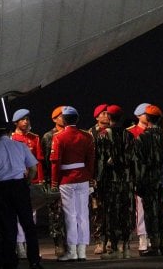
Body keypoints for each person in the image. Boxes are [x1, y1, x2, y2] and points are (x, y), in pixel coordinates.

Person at [0, 120, 43, 269]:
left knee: (7, 228)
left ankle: (10, 262)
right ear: (10, 133)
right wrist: (26, 183)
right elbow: (33, 169)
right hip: (19, 186)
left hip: (0, 189)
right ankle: (34, 261)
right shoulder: (21, 146)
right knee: (28, 226)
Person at [50, 106, 95, 262]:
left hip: (66, 180)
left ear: (63, 119)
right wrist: (89, 177)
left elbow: (55, 162)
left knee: (70, 215)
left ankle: (72, 251)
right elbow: (91, 160)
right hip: (82, 177)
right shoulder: (87, 136)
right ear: (77, 119)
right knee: (83, 214)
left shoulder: (58, 137)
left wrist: (54, 182)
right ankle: (82, 251)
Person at [98, 105, 136, 259]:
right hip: (126, 180)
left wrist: (98, 181)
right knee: (126, 212)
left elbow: (101, 161)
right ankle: (126, 247)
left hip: (110, 181)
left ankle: (113, 249)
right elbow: (133, 159)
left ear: (109, 117)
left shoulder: (103, 136)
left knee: (111, 214)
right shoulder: (129, 135)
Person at [135, 104, 163, 257]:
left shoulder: (142, 138)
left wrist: (138, 182)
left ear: (147, 119)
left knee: (151, 213)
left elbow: (139, 163)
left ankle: (154, 245)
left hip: (148, 180)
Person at [10, 108, 45, 259]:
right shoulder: (12, 139)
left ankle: (30, 246)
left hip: (32, 180)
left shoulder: (34, 138)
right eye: (23, 119)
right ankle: (20, 245)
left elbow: (39, 161)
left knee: (32, 214)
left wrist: (40, 179)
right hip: (18, 180)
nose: (26, 121)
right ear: (16, 122)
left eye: (27, 119)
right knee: (18, 215)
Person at [41, 106, 67, 256]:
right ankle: (58, 243)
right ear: (55, 119)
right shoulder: (48, 136)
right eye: (61, 116)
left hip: (68, 179)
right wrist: (48, 181)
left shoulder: (71, 133)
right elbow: (45, 161)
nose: (64, 118)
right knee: (56, 214)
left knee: (70, 214)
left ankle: (70, 242)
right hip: (54, 180)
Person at [127, 102, 150, 253]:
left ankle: (153, 238)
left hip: (153, 175)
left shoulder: (155, 131)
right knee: (140, 208)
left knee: (154, 208)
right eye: (145, 114)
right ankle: (143, 237)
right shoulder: (131, 133)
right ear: (138, 116)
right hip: (138, 175)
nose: (148, 116)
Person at [88, 104, 110, 255]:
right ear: (97, 117)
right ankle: (99, 241)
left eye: (107, 113)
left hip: (112, 178)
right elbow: (89, 158)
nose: (106, 115)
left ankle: (110, 241)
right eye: (103, 113)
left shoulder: (114, 131)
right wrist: (91, 177)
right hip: (96, 178)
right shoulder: (91, 133)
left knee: (111, 210)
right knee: (97, 210)